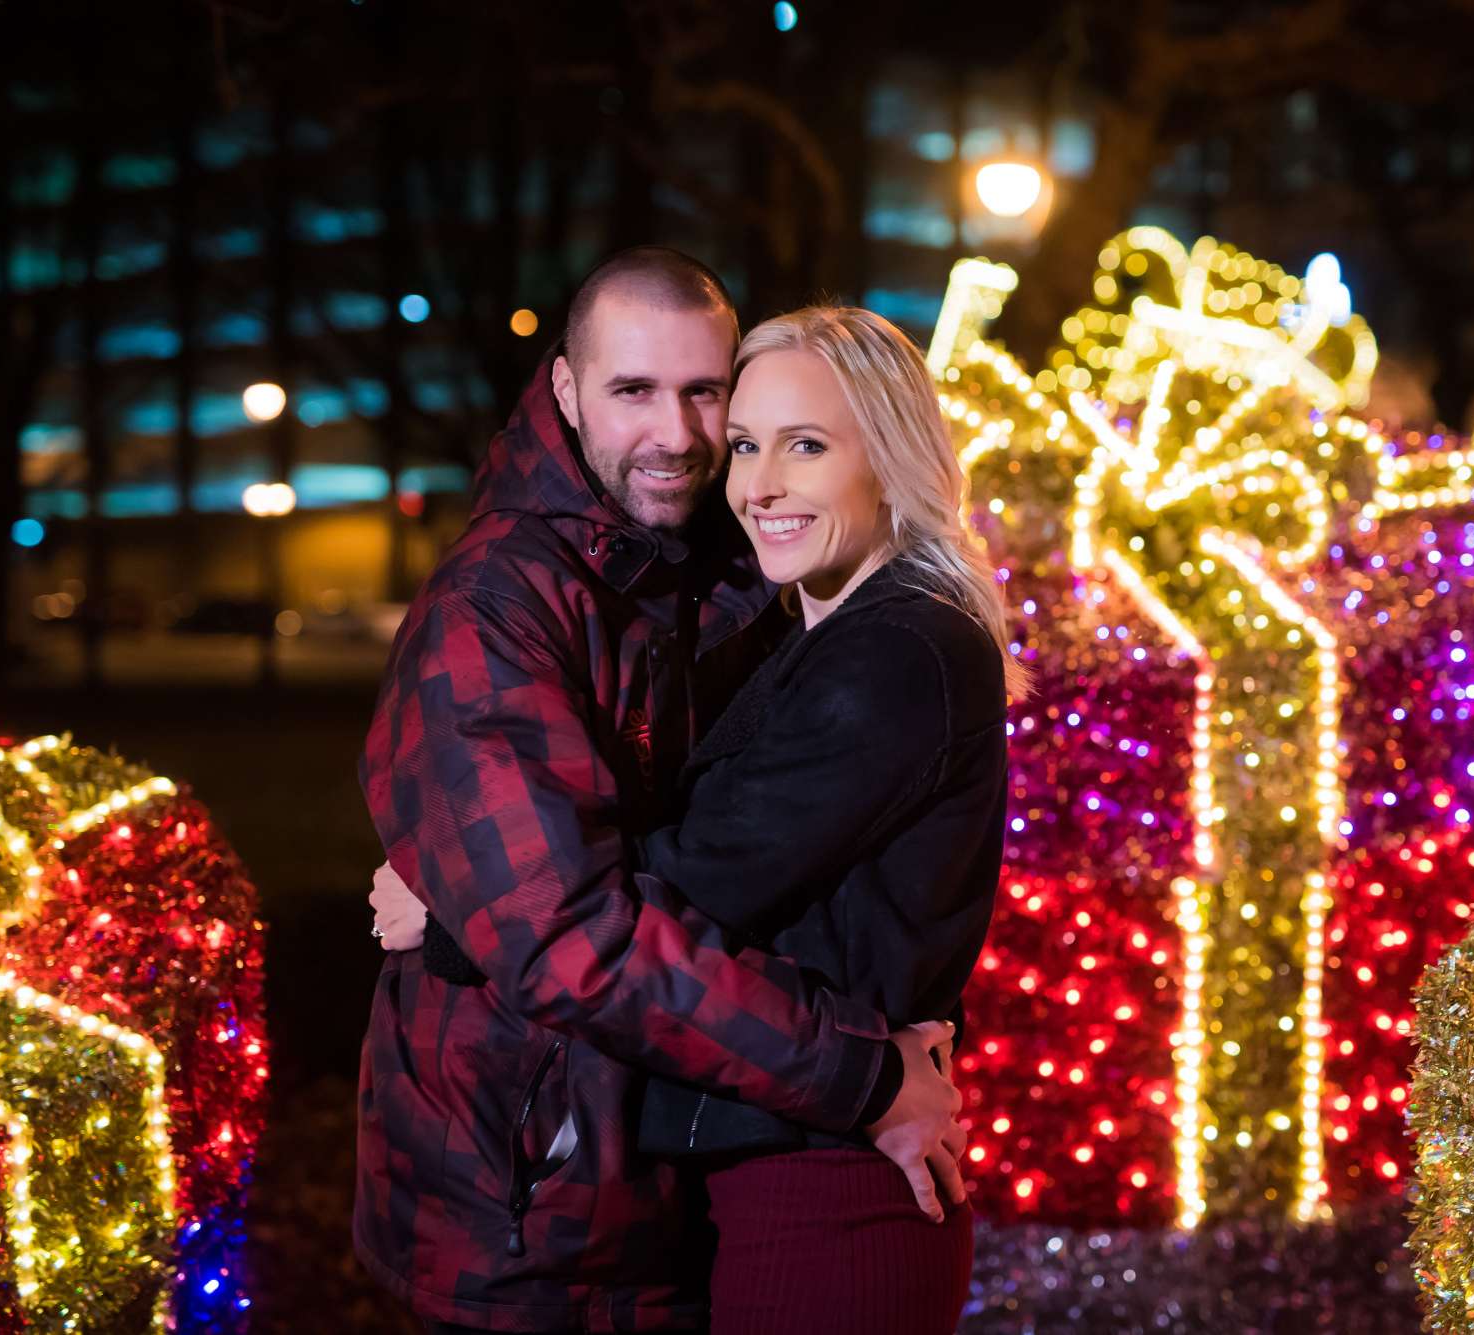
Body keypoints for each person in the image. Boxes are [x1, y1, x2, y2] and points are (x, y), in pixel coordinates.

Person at [374, 305, 1023, 1333]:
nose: (755, 481)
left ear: (891, 455)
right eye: (751, 444)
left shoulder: (894, 651)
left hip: (830, 1191)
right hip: (770, 1167)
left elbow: (695, 874)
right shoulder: (791, 621)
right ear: (567, 392)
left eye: (804, 446)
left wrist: (463, 908)